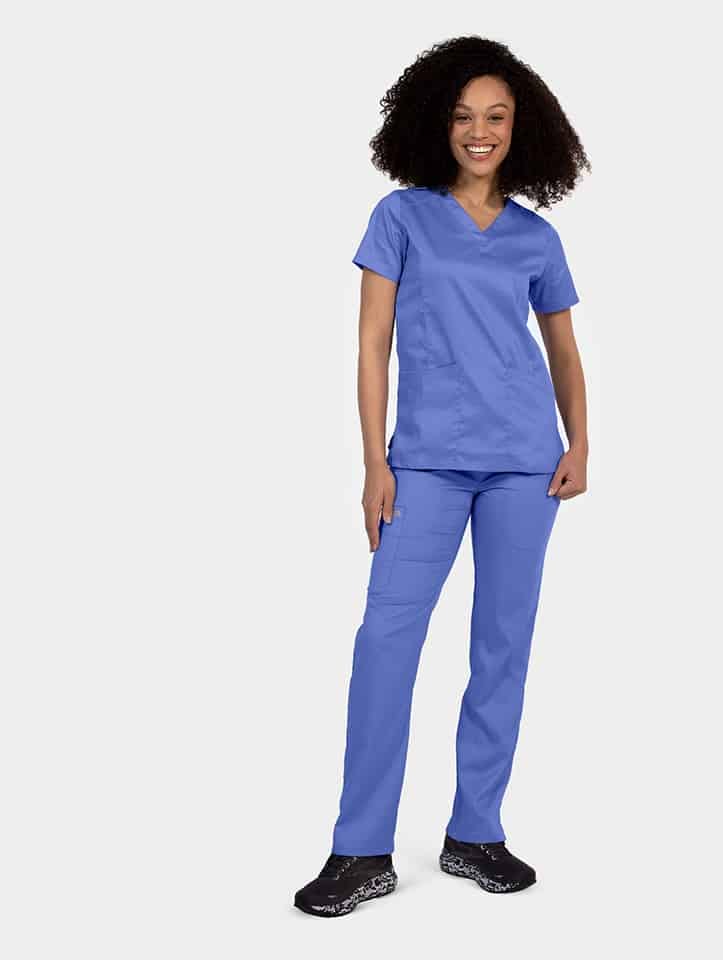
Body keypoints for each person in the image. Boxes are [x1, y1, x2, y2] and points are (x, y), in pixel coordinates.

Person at [294, 35, 591, 917]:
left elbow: (563, 350)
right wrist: (373, 460)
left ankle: (474, 833)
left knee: (503, 645)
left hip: (524, 467)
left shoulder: (536, 236)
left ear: (521, 129)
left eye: (496, 117)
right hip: (422, 462)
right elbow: (371, 345)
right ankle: (360, 848)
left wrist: (579, 443)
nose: (479, 131)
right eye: (464, 116)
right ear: (437, 123)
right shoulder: (401, 218)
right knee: (386, 640)